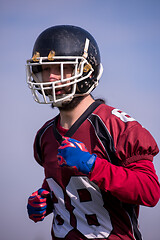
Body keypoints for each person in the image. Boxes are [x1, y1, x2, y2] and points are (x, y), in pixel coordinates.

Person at [26, 25, 160, 240]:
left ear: (87, 70)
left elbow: (150, 191)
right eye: (43, 69)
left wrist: (93, 165)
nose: (50, 77)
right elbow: (71, 189)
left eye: (62, 67)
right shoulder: (45, 135)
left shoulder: (116, 126)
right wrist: (48, 200)